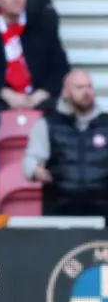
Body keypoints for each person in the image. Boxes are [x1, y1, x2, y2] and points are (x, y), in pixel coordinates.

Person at [23, 70, 108, 216]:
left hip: (103, 212)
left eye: (89, 87)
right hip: (60, 209)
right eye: (79, 87)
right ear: (66, 92)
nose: (86, 92)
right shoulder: (48, 123)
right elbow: (31, 159)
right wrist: (35, 170)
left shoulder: (105, 123)